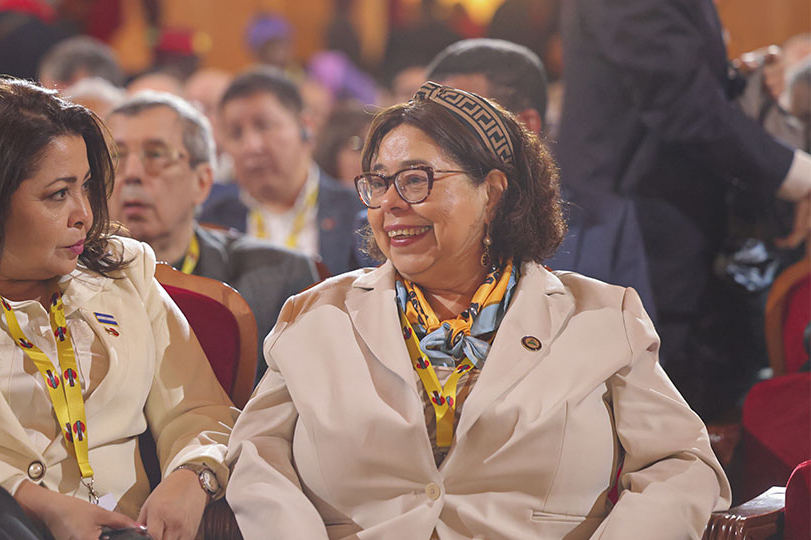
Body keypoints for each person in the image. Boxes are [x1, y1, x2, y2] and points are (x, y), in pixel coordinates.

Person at [226, 82, 731, 539]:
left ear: (491, 193)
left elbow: (682, 464)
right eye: (378, 183)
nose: (390, 203)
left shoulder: (600, 316)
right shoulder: (314, 316)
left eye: (416, 179)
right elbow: (255, 461)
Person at [0, 78, 236, 540]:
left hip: (121, 530)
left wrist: (193, 476)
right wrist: (37, 503)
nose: (85, 214)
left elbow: (201, 412)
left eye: (86, 187)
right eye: (58, 194)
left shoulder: (124, 269)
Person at [557, 0, 811, 418]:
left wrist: (733, 78)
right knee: (642, 404)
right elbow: (678, 103)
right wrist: (800, 177)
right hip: (631, 225)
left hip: (662, 221)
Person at [425, 37, 657, 319]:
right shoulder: (399, 222)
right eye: (428, 125)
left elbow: (638, 338)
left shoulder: (607, 223)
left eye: (457, 125)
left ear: (525, 126)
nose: (436, 142)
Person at [107, 91, 320, 381]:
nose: (131, 173)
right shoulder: (71, 279)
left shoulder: (278, 279)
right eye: (116, 157)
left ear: (203, 182)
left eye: (156, 155)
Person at [199, 68, 365, 276]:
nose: (251, 146)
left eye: (264, 126)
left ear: (306, 126)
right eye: (236, 133)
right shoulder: (210, 224)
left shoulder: (359, 214)